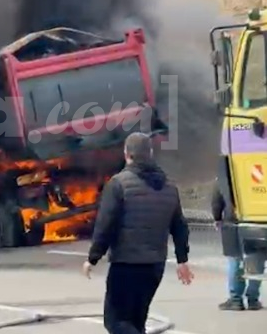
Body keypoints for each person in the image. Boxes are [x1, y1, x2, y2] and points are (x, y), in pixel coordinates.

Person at [83, 132, 194, 334]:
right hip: (154, 267)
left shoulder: (118, 184)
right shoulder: (170, 187)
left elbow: (105, 224)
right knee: (136, 321)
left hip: (126, 265)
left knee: (116, 321)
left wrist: (92, 258)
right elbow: (179, 226)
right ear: (150, 153)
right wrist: (182, 260)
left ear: (127, 154)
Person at [212, 186, 265, 310]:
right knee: (256, 260)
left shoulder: (226, 172)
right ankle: (253, 299)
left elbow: (216, 200)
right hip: (259, 221)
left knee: (235, 260)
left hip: (233, 222)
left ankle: (236, 299)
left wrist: (217, 218)